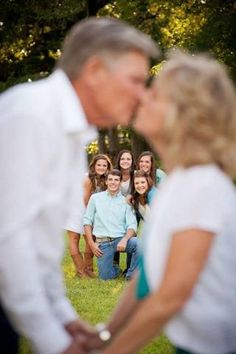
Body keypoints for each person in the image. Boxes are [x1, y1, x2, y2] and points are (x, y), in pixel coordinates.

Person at [0, 17, 159, 354]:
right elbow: (9, 244)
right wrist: (55, 342)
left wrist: (64, 318)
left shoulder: (73, 132)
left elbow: (41, 244)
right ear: (96, 70)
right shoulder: (32, 116)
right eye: (134, 80)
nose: (141, 95)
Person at [83, 52, 236, 354]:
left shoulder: (201, 185)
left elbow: (170, 296)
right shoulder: (176, 181)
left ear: (181, 113)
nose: (141, 95)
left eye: (154, 93)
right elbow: (148, 276)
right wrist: (104, 334)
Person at [83, 169, 139, 281]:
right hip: (102, 243)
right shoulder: (95, 198)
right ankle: (115, 268)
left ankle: (131, 275)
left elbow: (132, 225)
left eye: (116, 180)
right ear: (106, 182)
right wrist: (91, 243)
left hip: (120, 240)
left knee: (140, 244)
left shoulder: (126, 202)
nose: (113, 182)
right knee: (105, 277)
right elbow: (87, 221)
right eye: (111, 179)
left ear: (120, 182)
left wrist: (125, 239)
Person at [65, 154, 113, 278]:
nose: (101, 167)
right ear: (93, 166)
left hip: (88, 211)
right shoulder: (88, 179)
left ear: (108, 167)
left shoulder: (104, 179)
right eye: (99, 165)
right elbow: (84, 201)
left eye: (104, 165)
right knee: (74, 239)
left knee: (89, 238)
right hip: (76, 210)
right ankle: (81, 271)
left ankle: (88, 269)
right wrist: (91, 219)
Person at [113, 149, 135, 269]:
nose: (125, 161)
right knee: (115, 234)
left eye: (128, 159)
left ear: (132, 161)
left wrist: (132, 195)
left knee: (131, 236)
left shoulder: (135, 175)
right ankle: (114, 264)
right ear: (119, 160)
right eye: (122, 159)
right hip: (116, 210)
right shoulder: (115, 174)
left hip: (132, 211)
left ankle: (129, 267)